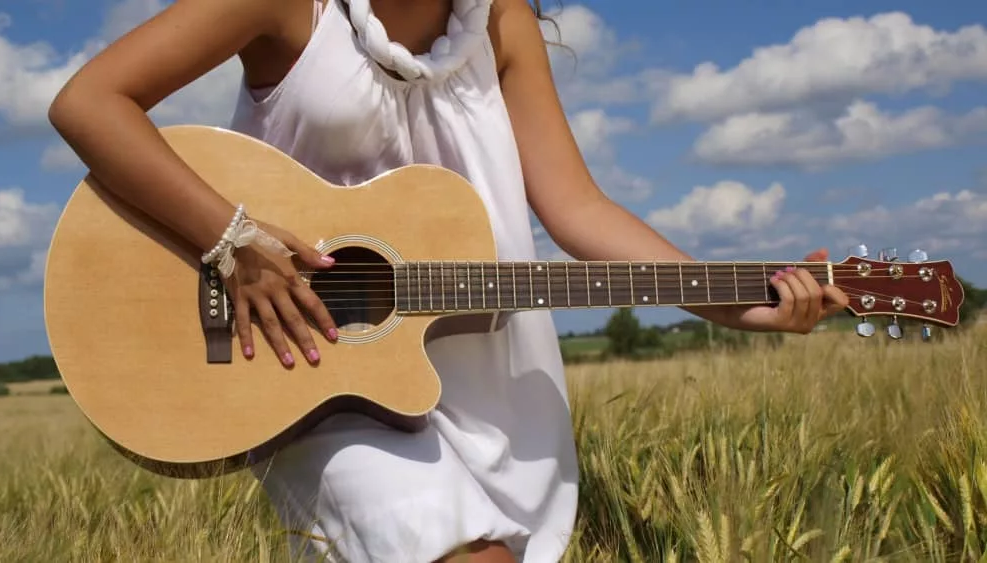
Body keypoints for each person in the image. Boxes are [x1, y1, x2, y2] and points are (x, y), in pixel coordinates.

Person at [47, 0, 849, 561]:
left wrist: (742, 304)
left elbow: (577, 208)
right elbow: (89, 102)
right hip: (304, 366)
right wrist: (235, 240)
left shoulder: (500, 22)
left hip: (474, 374)